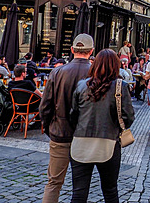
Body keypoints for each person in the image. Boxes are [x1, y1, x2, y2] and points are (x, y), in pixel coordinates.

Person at [69, 49, 135, 203]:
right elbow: (129, 117)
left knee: (78, 192)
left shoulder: (81, 85)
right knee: (110, 190)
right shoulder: (120, 86)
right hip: (109, 142)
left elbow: (73, 114)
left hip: (81, 142)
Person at [39, 34, 94, 203]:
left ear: (72, 50)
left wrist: (48, 127)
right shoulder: (95, 73)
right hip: (85, 135)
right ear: (91, 51)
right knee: (81, 186)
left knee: (54, 182)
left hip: (60, 133)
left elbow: (45, 105)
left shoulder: (58, 72)